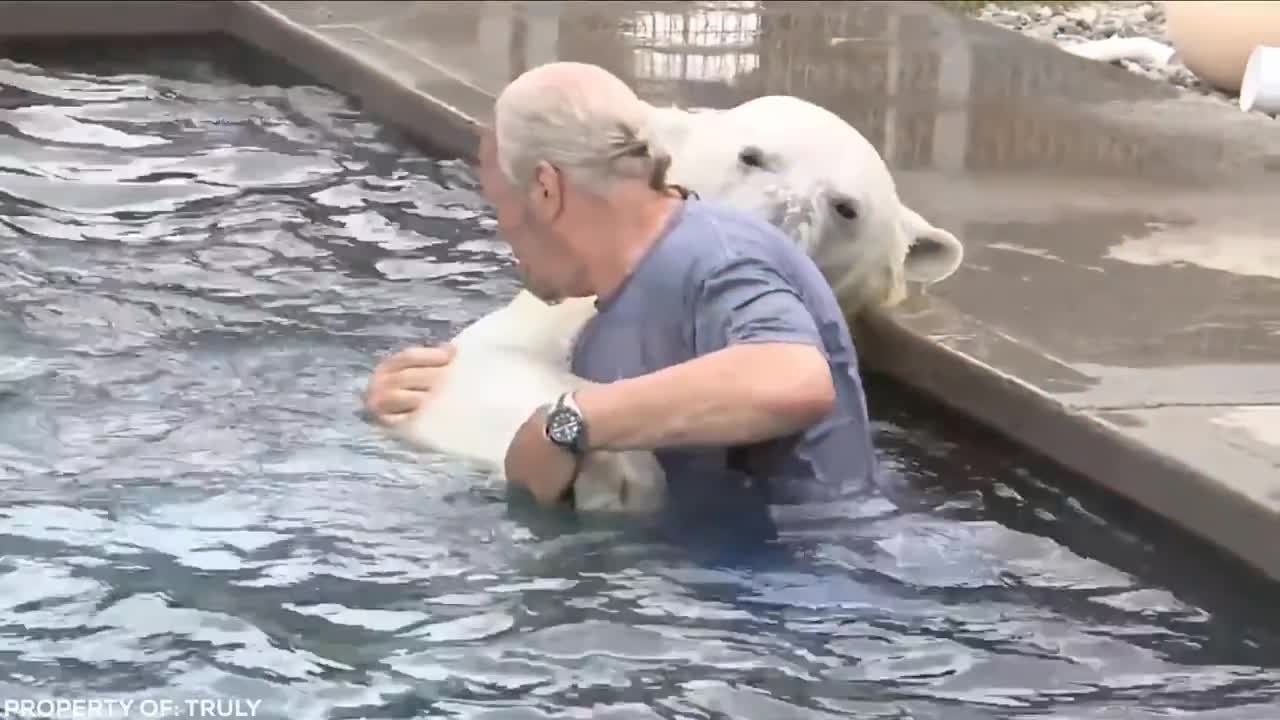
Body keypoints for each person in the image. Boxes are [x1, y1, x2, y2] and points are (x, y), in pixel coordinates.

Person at [365, 62, 878, 535]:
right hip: (712, 568)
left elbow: (793, 378)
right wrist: (408, 401)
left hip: (810, 577)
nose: (502, 229)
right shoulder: (617, 289)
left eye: (500, 201)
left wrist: (565, 425)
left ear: (545, 188)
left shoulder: (716, 256)